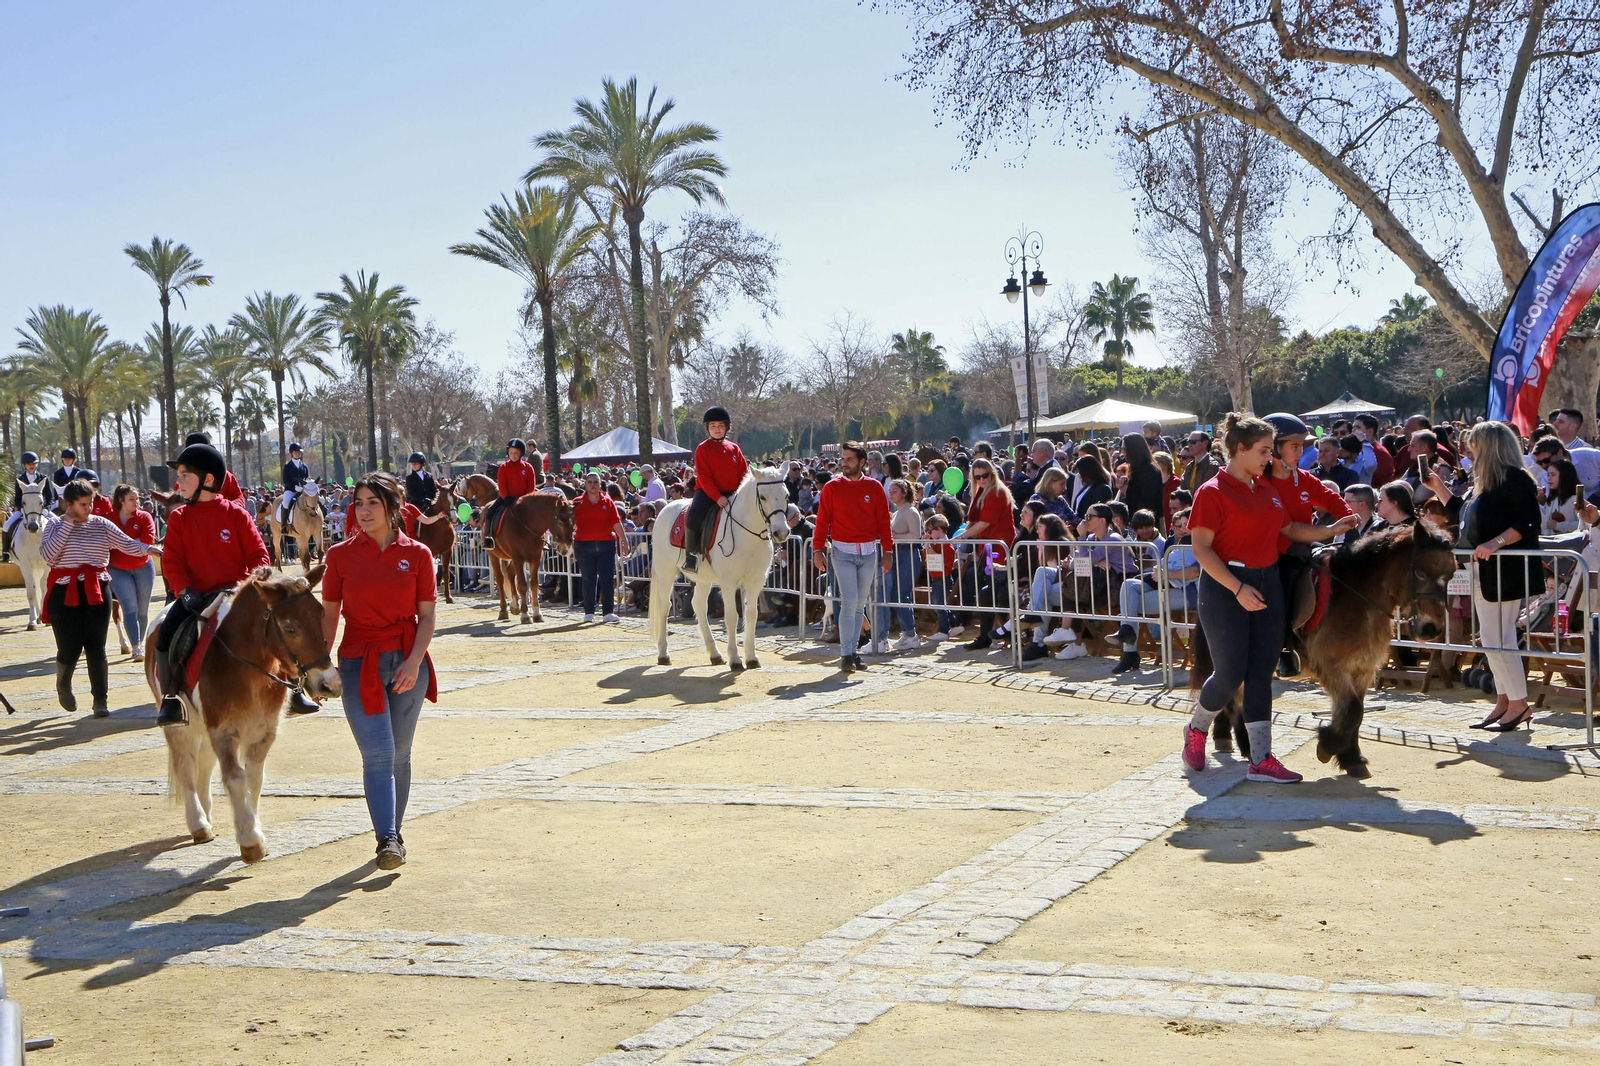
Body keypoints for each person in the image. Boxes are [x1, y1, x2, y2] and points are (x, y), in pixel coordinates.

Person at [1181, 413, 1359, 785]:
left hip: (1266, 583)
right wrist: (1237, 588)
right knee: (1229, 674)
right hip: (1226, 586)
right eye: (1263, 450)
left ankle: (1261, 758)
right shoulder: (1211, 491)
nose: (1268, 457)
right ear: (1239, 449)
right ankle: (1197, 729)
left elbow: (1290, 529)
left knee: (1261, 674)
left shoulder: (1264, 489)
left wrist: (1330, 529)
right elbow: (1201, 549)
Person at [321, 471, 438, 871]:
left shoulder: (419, 555)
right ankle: (386, 837)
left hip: (408, 660)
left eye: (373, 502)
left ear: (393, 508)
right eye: (359, 503)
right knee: (379, 753)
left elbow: (426, 617)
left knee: (401, 754)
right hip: (359, 663)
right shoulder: (338, 556)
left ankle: (394, 833)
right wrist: (322, 666)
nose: (364, 510)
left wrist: (414, 661)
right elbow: (329, 615)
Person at [1427, 421, 1540, 732]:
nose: (1468, 451)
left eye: (1474, 445)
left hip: (1504, 570)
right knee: (1491, 640)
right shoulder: (1485, 482)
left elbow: (1529, 522)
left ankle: (1518, 703)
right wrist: (1439, 488)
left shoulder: (1515, 479)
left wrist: (1496, 542)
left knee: (1501, 639)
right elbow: (1467, 515)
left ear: (1489, 446)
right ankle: (1505, 700)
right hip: (1482, 568)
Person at [153, 443, 277, 725]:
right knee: (165, 637)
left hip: (235, 594)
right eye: (179, 475)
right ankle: (171, 698)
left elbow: (259, 556)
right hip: (194, 598)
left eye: (185, 475)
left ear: (207, 480)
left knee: (279, 629)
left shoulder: (236, 514)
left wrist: (247, 587)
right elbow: (172, 562)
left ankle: (291, 688)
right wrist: (184, 592)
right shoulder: (179, 519)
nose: (178, 481)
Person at [38, 480, 160, 715]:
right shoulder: (53, 525)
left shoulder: (101, 524)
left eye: (91, 502)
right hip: (65, 592)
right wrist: (68, 525)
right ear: (69, 504)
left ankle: (100, 700)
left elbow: (126, 543)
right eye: (83, 504)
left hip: (97, 588)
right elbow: (49, 555)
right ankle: (63, 684)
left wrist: (147, 549)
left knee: (96, 647)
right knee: (69, 648)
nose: (89, 508)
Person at [1262, 413, 1356, 677]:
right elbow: (1274, 527)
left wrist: (1347, 513)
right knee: (1281, 587)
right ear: (1275, 448)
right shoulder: (1262, 483)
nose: (1301, 451)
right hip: (1274, 552)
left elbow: (1328, 495)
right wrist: (1289, 546)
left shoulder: (1302, 477)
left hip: (1304, 545)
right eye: (1294, 446)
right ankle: (1284, 649)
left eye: (1302, 446)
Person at [813, 441, 893, 672]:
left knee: (859, 606)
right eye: (843, 458)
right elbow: (822, 521)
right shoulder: (832, 487)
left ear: (862, 462)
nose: (844, 463)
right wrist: (817, 548)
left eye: (849, 459)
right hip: (842, 552)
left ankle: (853, 650)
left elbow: (883, 523)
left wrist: (888, 551)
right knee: (849, 602)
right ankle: (846, 654)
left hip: (868, 552)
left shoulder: (875, 487)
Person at [956, 456, 1017, 650]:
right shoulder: (982, 492)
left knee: (993, 591)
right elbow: (975, 521)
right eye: (977, 477)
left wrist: (963, 536)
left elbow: (985, 522)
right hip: (988, 547)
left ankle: (994, 633)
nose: (981, 480)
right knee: (986, 591)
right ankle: (988, 634)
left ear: (992, 474)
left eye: (985, 476)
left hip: (1000, 548)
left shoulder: (997, 492)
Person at [684, 407, 749, 573]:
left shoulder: (735, 448)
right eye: (712, 426)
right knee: (694, 515)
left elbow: (744, 473)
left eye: (720, 425)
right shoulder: (702, 448)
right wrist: (717, 497)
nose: (717, 429)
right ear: (708, 428)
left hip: (733, 493)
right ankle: (690, 556)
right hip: (707, 493)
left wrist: (742, 494)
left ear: (727, 427)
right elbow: (704, 477)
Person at [107, 483, 158, 660]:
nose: (137, 502)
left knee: (142, 611)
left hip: (143, 568)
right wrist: (134, 543)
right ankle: (136, 646)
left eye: (137, 498)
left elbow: (147, 541)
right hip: (118, 570)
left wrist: (120, 543)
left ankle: (139, 642)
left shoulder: (145, 517)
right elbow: (107, 544)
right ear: (121, 500)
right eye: (132, 499)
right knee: (130, 608)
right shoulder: (109, 519)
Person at [573, 471, 626, 622]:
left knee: (607, 579)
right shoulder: (577, 502)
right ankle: (589, 612)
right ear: (585, 484)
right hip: (583, 545)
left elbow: (616, 522)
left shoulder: (608, 502)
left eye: (596, 482)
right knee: (588, 579)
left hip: (606, 545)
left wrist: (624, 540)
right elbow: (569, 523)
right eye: (590, 482)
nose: (593, 485)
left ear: (600, 484)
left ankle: (607, 612)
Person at [879, 478, 923, 652]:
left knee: (901, 594)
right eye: (890, 491)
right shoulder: (897, 512)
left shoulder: (911, 511)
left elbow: (916, 535)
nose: (891, 494)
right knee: (896, 594)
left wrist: (894, 538)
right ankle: (908, 632)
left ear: (905, 493)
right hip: (898, 554)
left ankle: (911, 633)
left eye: (895, 491)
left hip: (908, 554)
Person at [482, 439, 540, 551]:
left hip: (524, 500)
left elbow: (531, 486)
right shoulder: (503, 468)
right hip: (506, 499)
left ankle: (542, 539)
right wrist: (506, 497)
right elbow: (502, 485)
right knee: (490, 512)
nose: (513, 455)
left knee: (540, 514)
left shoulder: (528, 467)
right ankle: (488, 538)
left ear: (521, 453)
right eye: (511, 452)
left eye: (516, 453)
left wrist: (525, 499)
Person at [3, 451, 59, 561]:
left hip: (41, 510)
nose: (31, 466)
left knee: (58, 523)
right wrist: (21, 508)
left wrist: (46, 509)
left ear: (36, 464)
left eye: (33, 463)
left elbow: (49, 497)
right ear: (24, 465)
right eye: (29, 464)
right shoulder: (20, 480)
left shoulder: (44, 478)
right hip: (25, 510)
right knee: (6, 526)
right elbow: (18, 498)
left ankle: (62, 550)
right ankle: (6, 552)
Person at [1119, 434, 1165, 528]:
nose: (1122, 453)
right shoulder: (1135, 468)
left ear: (1133, 450)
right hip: (1136, 523)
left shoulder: (1149, 470)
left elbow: (1145, 501)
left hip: (1145, 526)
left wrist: (1127, 490)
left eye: (1124, 449)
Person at [184, 432, 243, 501]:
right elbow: (178, 501)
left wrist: (228, 508)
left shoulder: (224, 474)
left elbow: (238, 497)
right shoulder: (183, 476)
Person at [1550, 408, 1600, 490]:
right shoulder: (1551, 448)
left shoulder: (1587, 452)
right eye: (1556, 420)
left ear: (1572, 426)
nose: (1555, 423)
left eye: (1561, 421)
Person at [1540, 457, 1582, 534]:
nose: (1549, 478)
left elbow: (1583, 525)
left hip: (1569, 544)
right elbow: (1546, 524)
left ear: (1564, 476)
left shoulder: (1575, 499)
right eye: (1548, 475)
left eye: (1553, 475)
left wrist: (1558, 526)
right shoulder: (1552, 499)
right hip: (1551, 543)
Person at [277, 442, 310, 524]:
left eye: (299, 452)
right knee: (286, 502)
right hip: (291, 490)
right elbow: (285, 480)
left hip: (303, 490)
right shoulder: (288, 466)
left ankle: (321, 522)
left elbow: (307, 478)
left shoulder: (304, 466)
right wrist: (294, 487)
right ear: (292, 453)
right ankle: (284, 525)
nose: (298, 454)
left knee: (316, 500)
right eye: (296, 452)